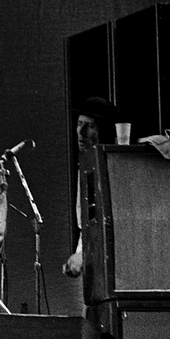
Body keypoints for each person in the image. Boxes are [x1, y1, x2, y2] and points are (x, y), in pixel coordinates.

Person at [63, 96, 117, 278]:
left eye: (90, 126)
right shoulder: (86, 165)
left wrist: (83, 255)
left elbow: (110, 226)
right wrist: (80, 255)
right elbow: (87, 225)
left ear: (104, 131)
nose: (81, 132)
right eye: (79, 124)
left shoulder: (112, 167)